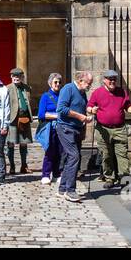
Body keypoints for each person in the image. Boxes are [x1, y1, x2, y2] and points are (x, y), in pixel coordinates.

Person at [88, 69, 131, 188]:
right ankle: (109, 178)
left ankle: (124, 178)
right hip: (103, 129)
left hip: (119, 129)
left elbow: (128, 107)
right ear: (104, 80)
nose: (112, 81)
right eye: (110, 79)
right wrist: (92, 110)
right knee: (106, 154)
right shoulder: (97, 93)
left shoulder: (122, 92)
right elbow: (89, 107)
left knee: (122, 154)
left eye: (114, 79)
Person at [55, 71, 93, 202]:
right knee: (74, 156)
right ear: (80, 81)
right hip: (66, 128)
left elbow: (82, 106)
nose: (90, 86)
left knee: (71, 158)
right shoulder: (68, 89)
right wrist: (80, 116)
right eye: (89, 83)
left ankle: (62, 188)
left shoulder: (82, 92)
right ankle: (70, 191)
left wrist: (89, 111)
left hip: (77, 128)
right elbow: (61, 109)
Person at [5, 67, 35, 175]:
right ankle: (12, 166)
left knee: (24, 143)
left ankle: (24, 165)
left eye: (18, 76)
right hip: (13, 119)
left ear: (22, 77)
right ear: (11, 77)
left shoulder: (27, 88)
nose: (16, 78)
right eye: (14, 76)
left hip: (24, 118)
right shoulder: (7, 88)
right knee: (11, 143)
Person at [37, 73, 64, 185]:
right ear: (50, 83)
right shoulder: (45, 96)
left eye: (59, 82)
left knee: (60, 151)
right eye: (55, 82)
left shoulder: (63, 95)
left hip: (61, 127)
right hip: (50, 128)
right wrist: (56, 115)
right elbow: (41, 115)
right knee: (50, 151)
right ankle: (46, 174)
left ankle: (57, 174)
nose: (57, 84)